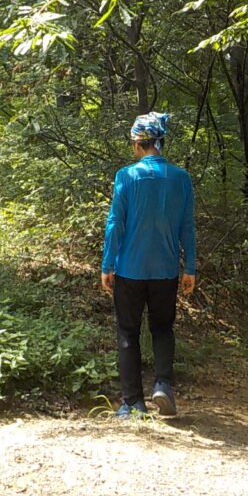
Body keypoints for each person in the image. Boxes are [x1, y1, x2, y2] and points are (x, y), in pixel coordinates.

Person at [101, 112, 197, 418]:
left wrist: (107, 264)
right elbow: (188, 226)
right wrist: (190, 268)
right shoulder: (181, 178)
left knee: (128, 332)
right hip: (166, 271)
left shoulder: (126, 176)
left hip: (129, 268)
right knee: (163, 329)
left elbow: (115, 223)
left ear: (138, 142)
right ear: (159, 142)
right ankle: (163, 386)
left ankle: (133, 403)